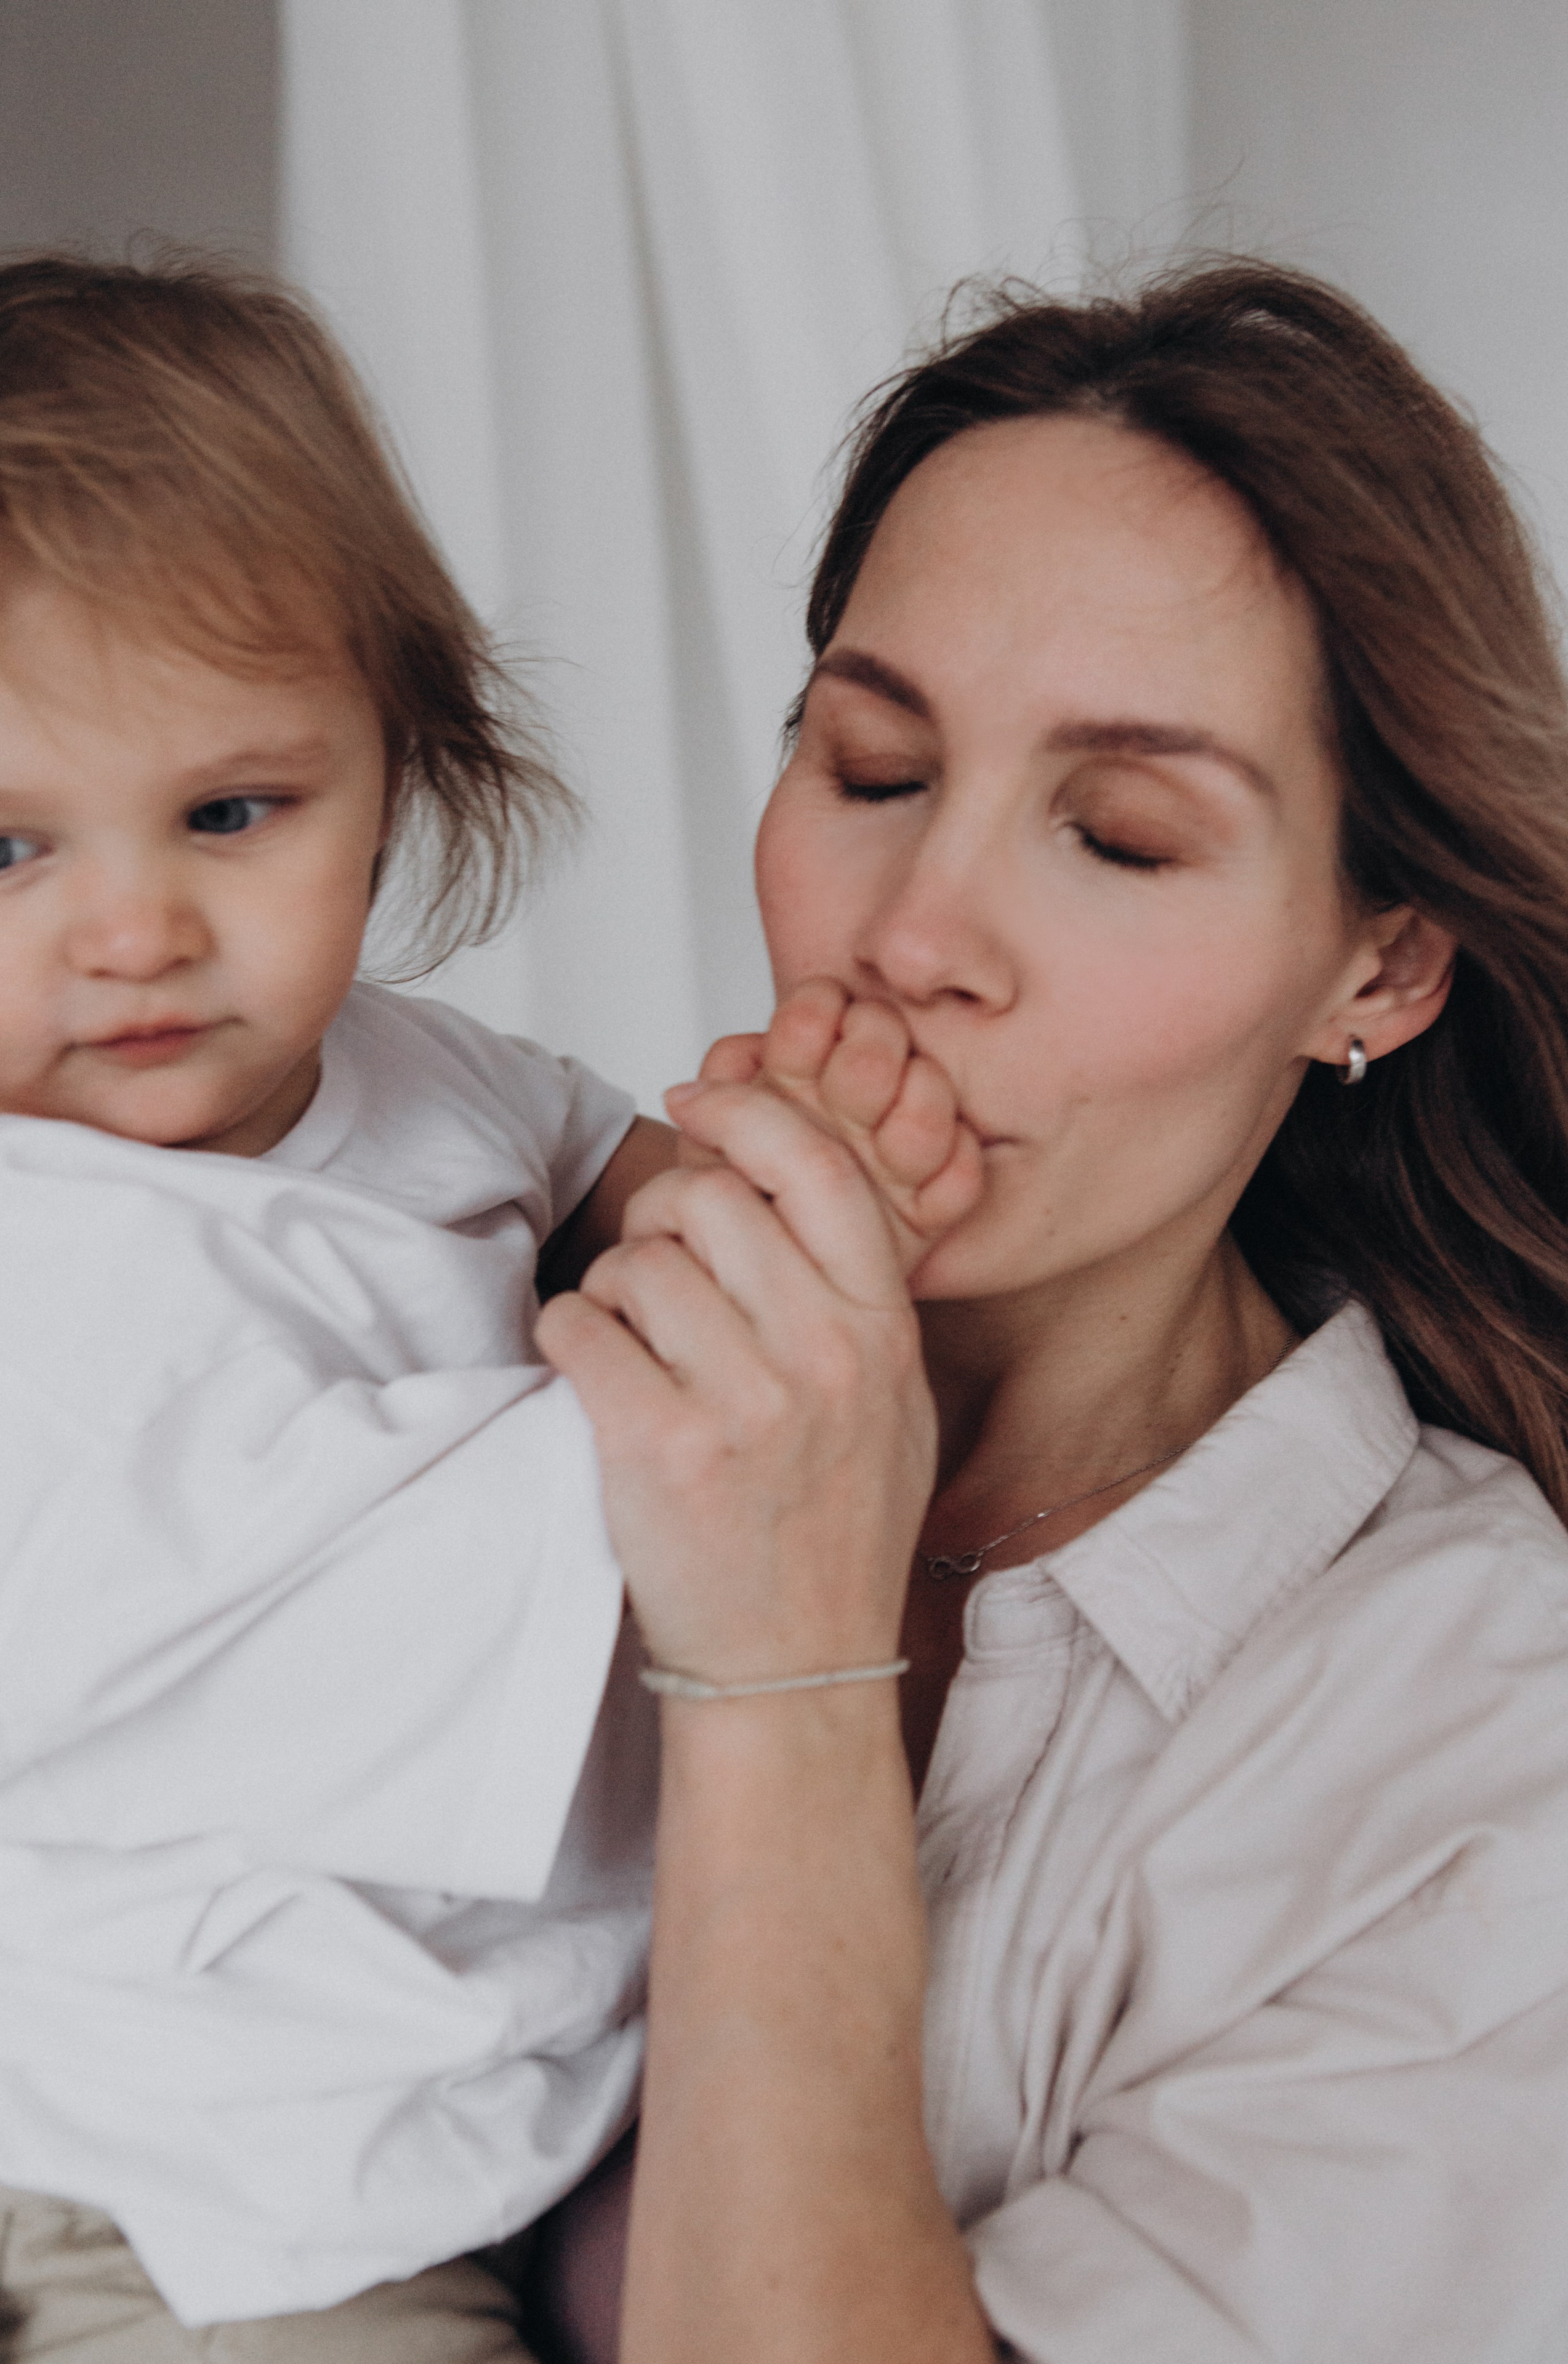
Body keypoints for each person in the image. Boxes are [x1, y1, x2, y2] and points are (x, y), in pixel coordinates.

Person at [541, 260, 1568, 2362]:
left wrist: (784, 1663)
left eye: (1117, 836)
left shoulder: (1488, 1756)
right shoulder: (479, 1341)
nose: (918, 936)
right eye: (871, 769)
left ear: (1380, 968)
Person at [0, 255, 975, 2359]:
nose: (135, 930)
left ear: (398, 771)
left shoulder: (403, 1068)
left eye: (232, 814)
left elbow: (619, 1182)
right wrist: (788, 1300)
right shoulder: (40, 1268)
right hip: (201, 2194)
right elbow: (391, 1564)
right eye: (6, 851)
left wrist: (792, 1164)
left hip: (467, 2102)